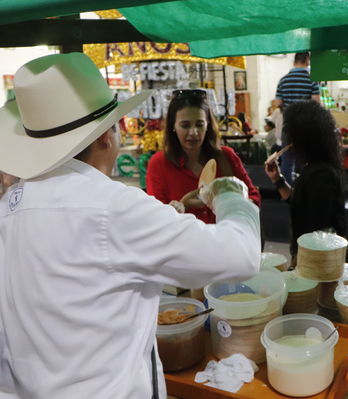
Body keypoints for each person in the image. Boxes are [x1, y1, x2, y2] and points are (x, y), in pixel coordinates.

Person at [0, 53, 260, 398]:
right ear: (107, 136)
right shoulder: (113, 208)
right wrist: (230, 195)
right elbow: (239, 255)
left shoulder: (10, 206)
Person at [264, 101, 348, 265]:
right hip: (311, 255)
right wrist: (278, 180)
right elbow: (298, 203)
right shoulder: (314, 167)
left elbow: (315, 231)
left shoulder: (322, 175)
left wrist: (297, 262)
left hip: (320, 261)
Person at [146, 90, 260, 223]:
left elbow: (253, 197)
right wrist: (183, 205)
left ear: (208, 125)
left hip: (225, 241)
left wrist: (230, 204)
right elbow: (155, 220)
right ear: (173, 126)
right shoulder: (159, 164)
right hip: (184, 242)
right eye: (185, 125)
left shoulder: (225, 156)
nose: (193, 132)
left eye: (199, 125)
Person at [274, 52, 320, 183]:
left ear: (294, 61)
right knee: (307, 161)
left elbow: (278, 103)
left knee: (287, 162)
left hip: (288, 125)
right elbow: (316, 103)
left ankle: (287, 194)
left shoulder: (283, 80)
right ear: (307, 60)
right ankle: (305, 193)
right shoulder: (312, 79)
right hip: (306, 126)